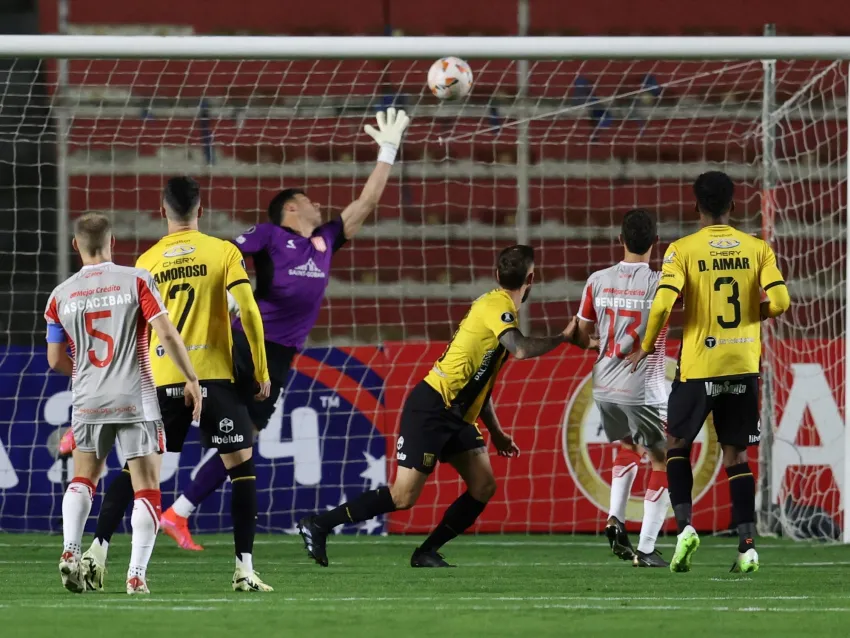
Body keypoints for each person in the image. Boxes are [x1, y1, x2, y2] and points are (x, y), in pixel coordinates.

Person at [159, 107, 411, 551]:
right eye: (311, 200)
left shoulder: (326, 240)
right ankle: (166, 503)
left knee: (240, 440)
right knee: (214, 428)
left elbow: (366, 203)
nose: (320, 205)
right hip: (244, 343)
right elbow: (219, 253)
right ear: (292, 207)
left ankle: (176, 513)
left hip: (279, 353)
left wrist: (387, 149)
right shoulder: (271, 237)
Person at [298, 245, 581, 567]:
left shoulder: (499, 312)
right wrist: (564, 337)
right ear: (532, 278)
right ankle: (319, 523)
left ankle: (426, 552)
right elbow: (520, 350)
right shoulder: (495, 306)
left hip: (458, 414)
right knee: (403, 496)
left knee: (483, 485)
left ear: (498, 274)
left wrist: (497, 432)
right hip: (433, 405)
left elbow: (481, 382)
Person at [81, 176, 274, 592]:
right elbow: (249, 311)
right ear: (200, 211)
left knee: (138, 470)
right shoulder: (223, 251)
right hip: (214, 379)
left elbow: (132, 328)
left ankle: (96, 549)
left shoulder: (146, 262)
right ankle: (243, 568)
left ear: (162, 210)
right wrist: (260, 368)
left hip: (160, 381)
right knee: (241, 469)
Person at [626, 171, 790, 574]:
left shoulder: (682, 250)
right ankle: (748, 546)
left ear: (694, 206)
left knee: (676, 443)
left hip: (701, 365)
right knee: (736, 455)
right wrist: (758, 312)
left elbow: (663, 306)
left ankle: (684, 528)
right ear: (734, 206)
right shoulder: (758, 249)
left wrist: (646, 346)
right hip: (744, 363)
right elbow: (782, 301)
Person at [45, 213, 202, 594]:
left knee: (84, 478)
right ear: (112, 241)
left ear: (75, 246)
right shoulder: (137, 280)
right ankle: (136, 577)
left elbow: (54, 360)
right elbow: (165, 330)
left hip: (88, 400)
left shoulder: (59, 296)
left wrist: (84, 377)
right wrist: (191, 378)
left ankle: (70, 551)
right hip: (138, 396)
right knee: (147, 487)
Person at [572, 208, 670, 568]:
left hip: (604, 384)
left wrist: (599, 345)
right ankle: (646, 549)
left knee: (625, 447)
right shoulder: (661, 282)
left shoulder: (597, 280)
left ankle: (615, 517)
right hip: (642, 387)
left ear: (620, 240)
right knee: (663, 459)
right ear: (656, 243)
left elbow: (582, 332)